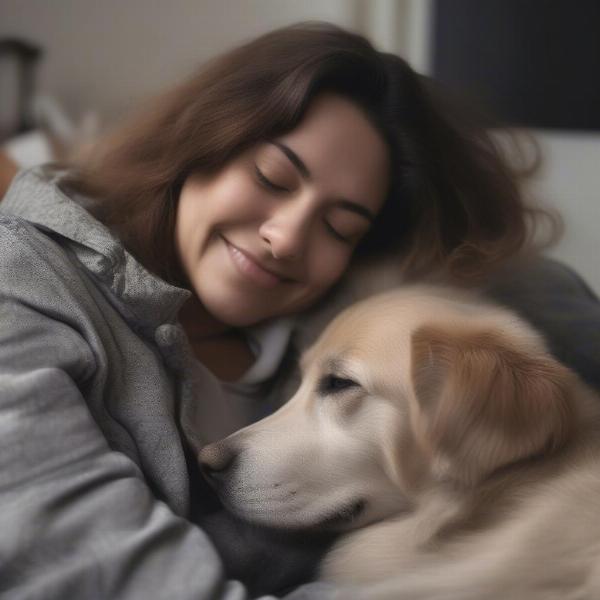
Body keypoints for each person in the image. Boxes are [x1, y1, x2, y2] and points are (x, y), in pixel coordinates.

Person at [1, 21, 596, 600]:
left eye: (340, 227)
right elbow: (82, 566)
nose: (286, 237)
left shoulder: (350, 308)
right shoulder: (21, 281)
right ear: (199, 144)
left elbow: (534, 316)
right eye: (272, 176)